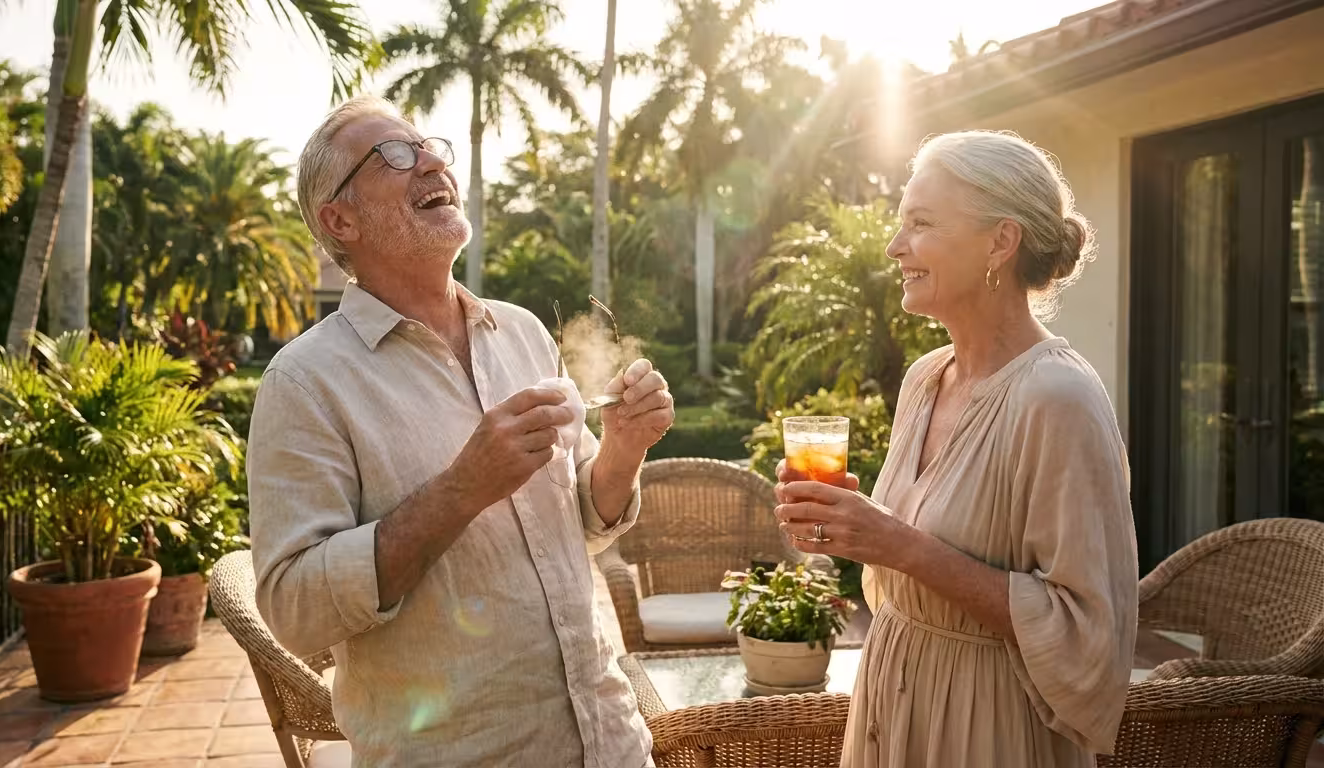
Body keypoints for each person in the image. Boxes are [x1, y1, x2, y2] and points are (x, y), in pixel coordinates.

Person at [247, 95, 673, 768]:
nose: (429, 161)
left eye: (428, 145)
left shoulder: (523, 332)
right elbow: (295, 609)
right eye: (392, 154)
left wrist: (623, 448)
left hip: (611, 740)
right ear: (340, 219)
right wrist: (462, 489)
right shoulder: (304, 382)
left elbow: (584, 520)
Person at [773, 130, 1138, 767]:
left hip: (987, 727)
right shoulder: (925, 377)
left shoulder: (1057, 398)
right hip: (894, 701)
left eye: (920, 224)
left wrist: (897, 544)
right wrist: (848, 529)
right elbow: (902, 563)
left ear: (1000, 241)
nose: (894, 247)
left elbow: (1087, 635)